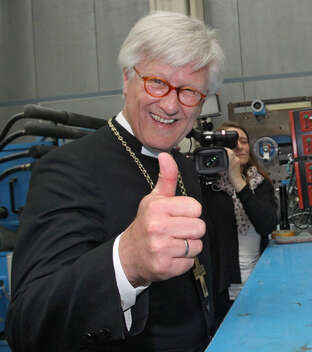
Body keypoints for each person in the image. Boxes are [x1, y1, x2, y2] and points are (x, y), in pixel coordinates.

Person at [6, 11, 224, 351]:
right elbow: (28, 325)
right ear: (126, 78)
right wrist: (127, 263)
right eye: (157, 82)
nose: (170, 105)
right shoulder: (68, 169)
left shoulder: (183, 167)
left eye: (189, 91)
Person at [202, 121, 277, 324]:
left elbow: (267, 224)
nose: (240, 146)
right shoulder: (210, 188)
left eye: (244, 141)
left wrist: (238, 181)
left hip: (259, 279)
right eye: (233, 142)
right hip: (224, 287)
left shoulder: (259, 183)